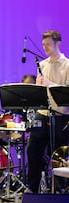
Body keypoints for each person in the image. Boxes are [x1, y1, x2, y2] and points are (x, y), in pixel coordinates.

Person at [26, 30, 69, 193]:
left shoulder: (67, 65)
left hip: (61, 115)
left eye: (48, 44)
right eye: (43, 44)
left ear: (58, 43)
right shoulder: (42, 65)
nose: (45, 47)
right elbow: (40, 90)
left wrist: (49, 83)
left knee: (58, 153)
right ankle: (33, 187)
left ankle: (60, 188)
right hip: (43, 113)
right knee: (33, 149)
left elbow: (66, 92)